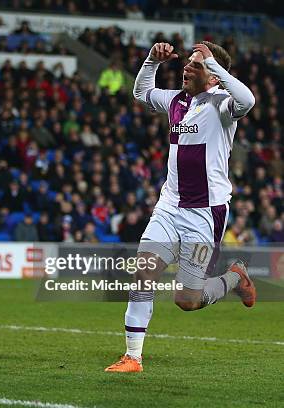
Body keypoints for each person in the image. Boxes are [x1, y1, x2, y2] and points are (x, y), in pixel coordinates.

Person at [105, 42, 256, 372]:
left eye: (196, 66)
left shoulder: (223, 106)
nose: (187, 68)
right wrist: (151, 61)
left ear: (214, 75)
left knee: (187, 300)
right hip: (169, 207)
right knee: (143, 272)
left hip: (204, 214)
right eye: (187, 63)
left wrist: (213, 64)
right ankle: (133, 356)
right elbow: (142, 93)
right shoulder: (175, 100)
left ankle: (234, 277)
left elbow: (248, 100)